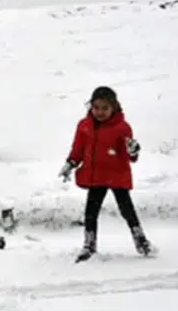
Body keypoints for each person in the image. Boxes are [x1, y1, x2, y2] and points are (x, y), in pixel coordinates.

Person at [59, 86, 153, 262]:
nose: (100, 112)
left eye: (105, 108)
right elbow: (78, 149)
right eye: (96, 107)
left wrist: (133, 151)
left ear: (114, 107)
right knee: (90, 212)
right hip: (96, 176)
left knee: (127, 210)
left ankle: (140, 240)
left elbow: (130, 155)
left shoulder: (122, 127)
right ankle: (89, 244)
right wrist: (70, 163)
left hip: (117, 175)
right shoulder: (84, 126)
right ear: (90, 106)